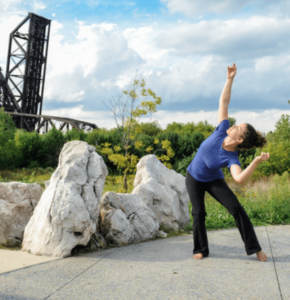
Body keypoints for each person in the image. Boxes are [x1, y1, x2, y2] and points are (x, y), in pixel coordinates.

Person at [186, 63, 270, 261]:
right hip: (194, 176)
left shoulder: (231, 157)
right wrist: (230, 79)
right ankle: (200, 249)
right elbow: (224, 102)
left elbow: (239, 178)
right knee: (198, 212)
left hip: (213, 180)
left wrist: (256, 162)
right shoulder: (222, 128)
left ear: (239, 139)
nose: (232, 125)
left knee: (236, 209)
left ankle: (255, 249)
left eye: (237, 127)